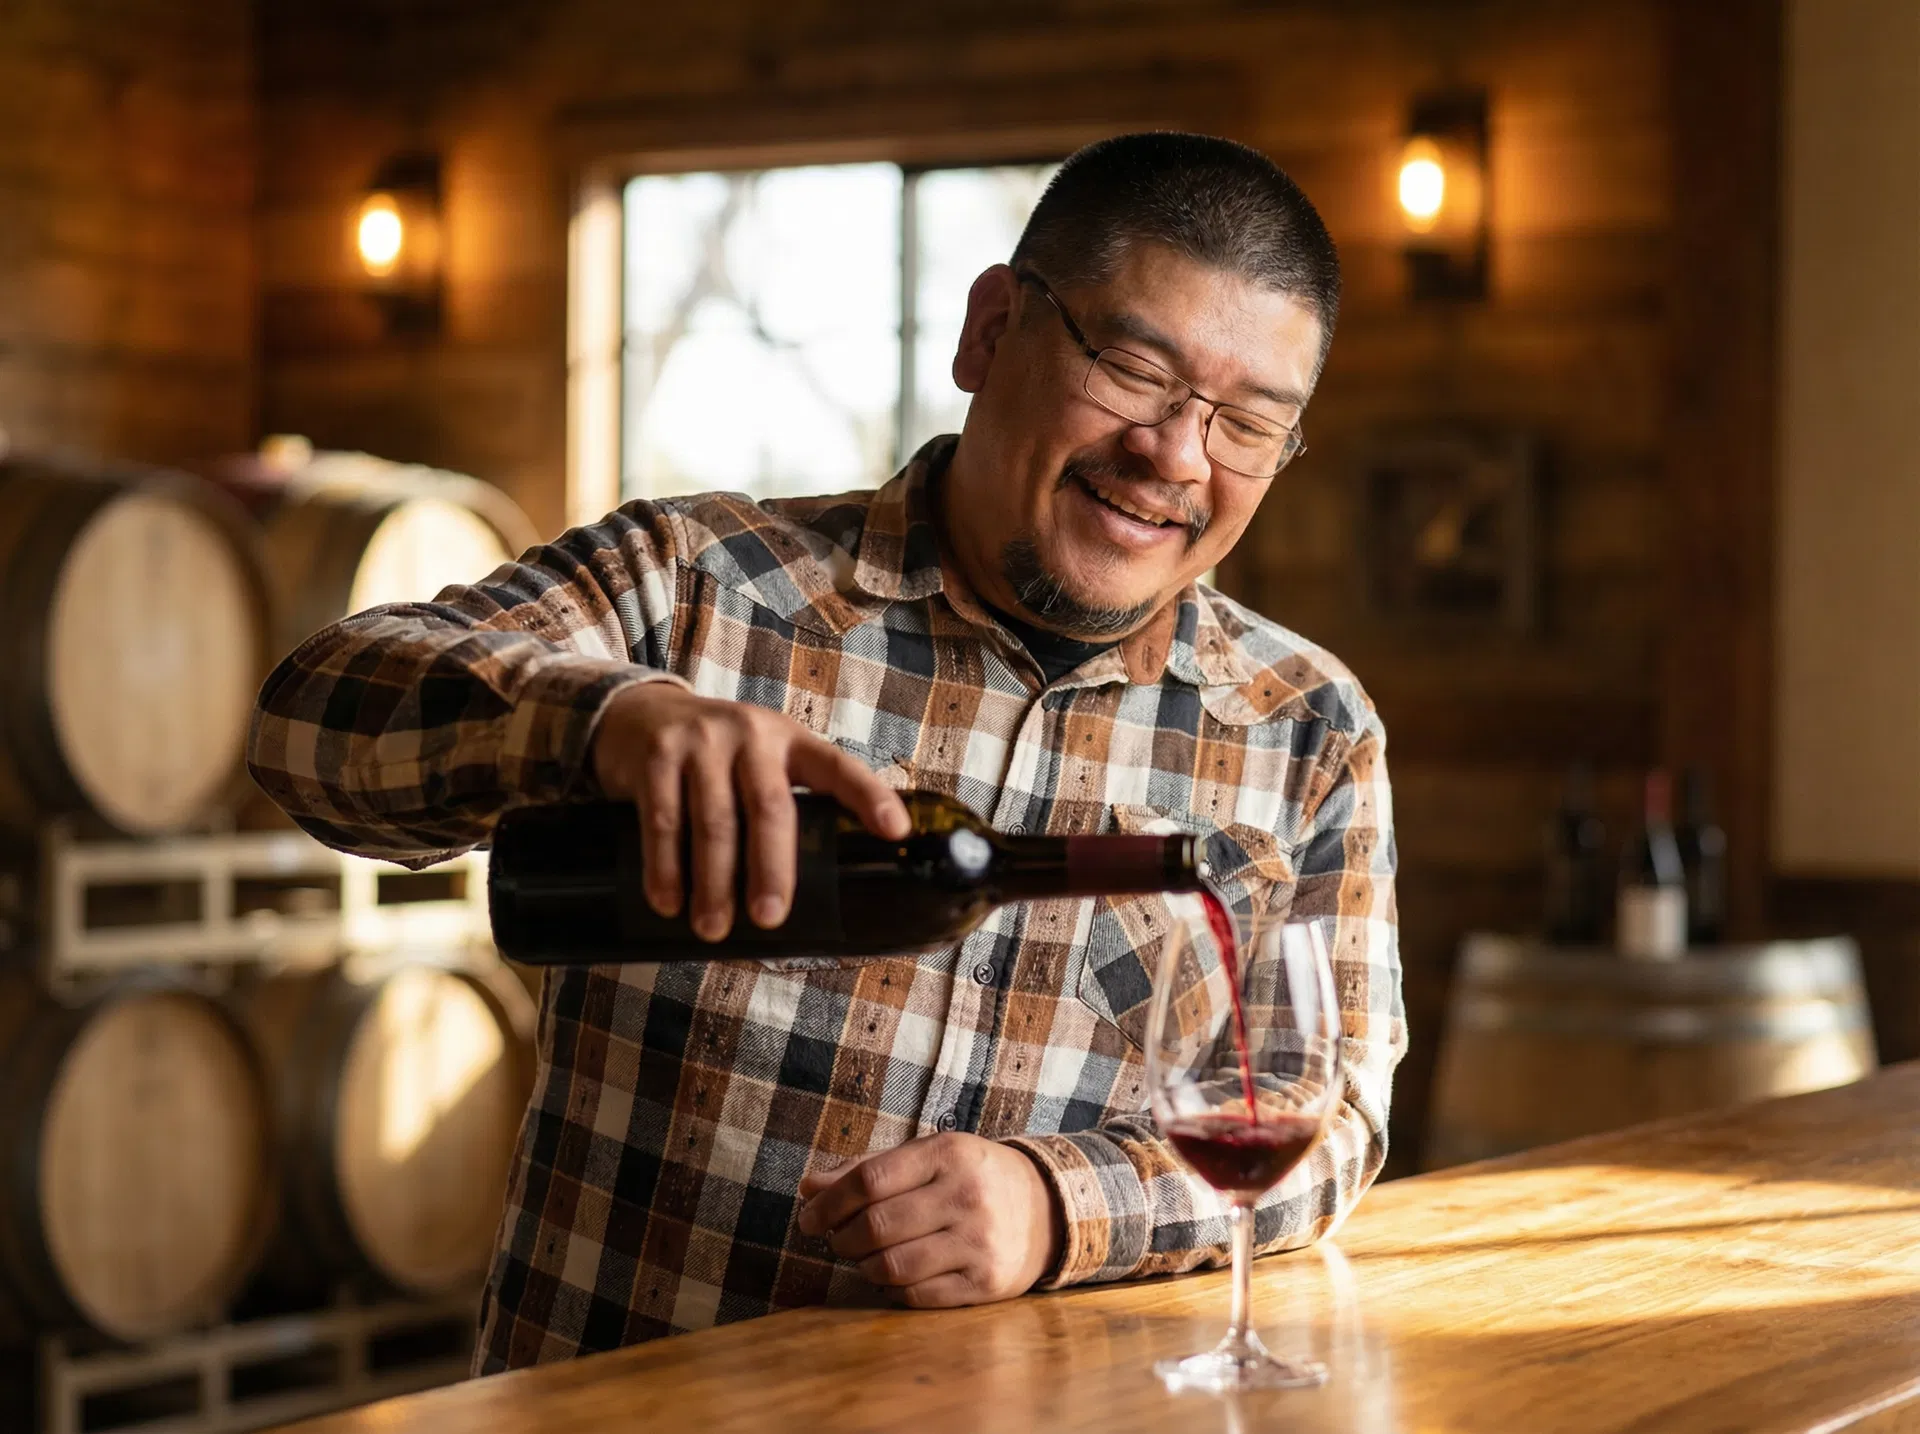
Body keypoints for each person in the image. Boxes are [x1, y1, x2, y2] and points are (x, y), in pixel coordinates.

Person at [248, 131, 1405, 1372]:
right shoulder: (693, 586)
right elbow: (307, 725)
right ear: (990, 331)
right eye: (1134, 369)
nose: (1175, 454)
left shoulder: (1308, 732)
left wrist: (1057, 1208)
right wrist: (598, 718)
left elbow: (1333, 1121)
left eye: (1248, 423)